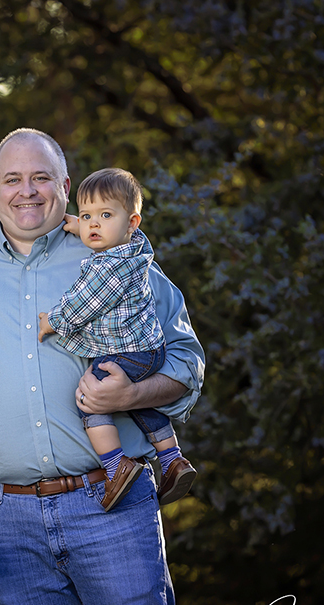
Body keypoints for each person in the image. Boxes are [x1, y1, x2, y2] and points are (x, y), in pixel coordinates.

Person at [0, 128, 205, 605]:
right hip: (5, 514)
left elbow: (186, 363)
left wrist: (131, 391)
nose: (27, 191)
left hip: (110, 500)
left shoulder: (118, 260)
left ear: (65, 186)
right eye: (13, 179)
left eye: (41, 178)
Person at [37, 167, 197, 511]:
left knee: (89, 399)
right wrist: (88, 226)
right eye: (86, 216)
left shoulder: (106, 268)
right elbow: (107, 232)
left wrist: (53, 321)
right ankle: (172, 458)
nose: (93, 224)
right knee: (140, 404)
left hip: (128, 352)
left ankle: (116, 466)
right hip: (148, 350)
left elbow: (84, 305)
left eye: (105, 216)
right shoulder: (134, 250)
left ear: (132, 222)